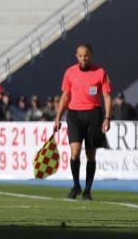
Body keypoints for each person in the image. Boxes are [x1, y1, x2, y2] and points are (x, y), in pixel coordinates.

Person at [54, 44, 112, 200]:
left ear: (90, 55)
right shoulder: (69, 72)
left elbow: (107, 97)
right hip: (74, 114)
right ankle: (75, 186)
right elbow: (65, 96)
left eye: (86, 55)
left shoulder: (100, 72)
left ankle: (87, 190)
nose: (83, 58)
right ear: (76, 56)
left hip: (94, 114)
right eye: (80, 55)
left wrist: (107, 118)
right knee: (74, 152)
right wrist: (58, 117)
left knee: (90, 154)